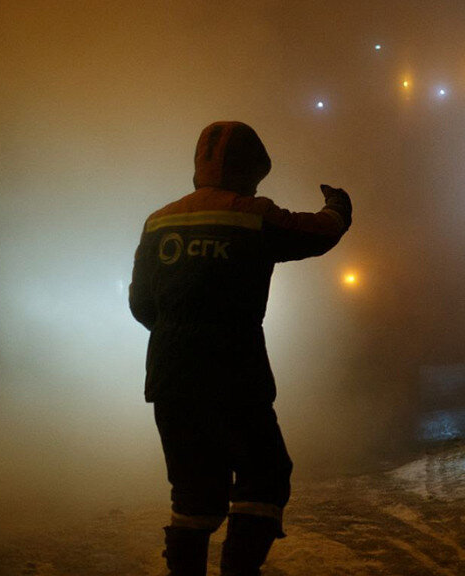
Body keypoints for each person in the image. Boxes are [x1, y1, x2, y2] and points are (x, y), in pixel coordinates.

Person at [129, 121, 352, 576]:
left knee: (193, 494)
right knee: (264, 475)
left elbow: (141, 305)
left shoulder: (159, 221)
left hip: (170, 376)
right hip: (235, 374)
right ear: (250, 169)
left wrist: (179, 332)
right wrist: (339, 205)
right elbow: (319, 232)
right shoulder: (252, 215)